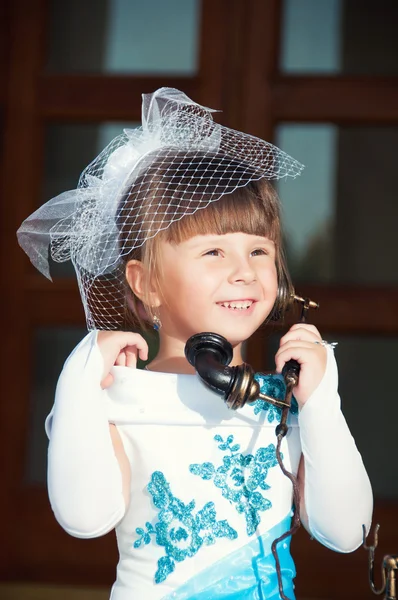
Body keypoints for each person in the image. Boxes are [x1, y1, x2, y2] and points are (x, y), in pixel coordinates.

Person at [17, 88, 373, 600]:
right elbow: (85, 517)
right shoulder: (119, 395)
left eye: (258, 250)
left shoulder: (282, 397)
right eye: (212, 251)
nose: (244, 272)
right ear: (146, 283)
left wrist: (322, 403)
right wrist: (79, 382)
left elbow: (348, 533)